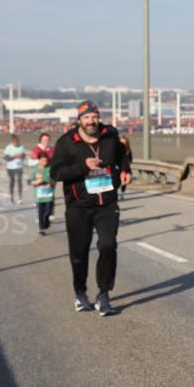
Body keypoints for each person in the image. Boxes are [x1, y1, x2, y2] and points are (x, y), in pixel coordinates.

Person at [50, 100, 132, 316]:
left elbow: (123, 153)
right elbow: (56, 173)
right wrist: (82, 166)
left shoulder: (109, 134)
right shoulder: (67, 142)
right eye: (86, 117)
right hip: (78, 206)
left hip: (107, 203)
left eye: (94, 116)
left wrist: (125, 169)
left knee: (108, 245)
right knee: (79, 253)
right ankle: (80, 292)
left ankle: (104, 295)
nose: (91, 121)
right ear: (79, 120)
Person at [31, 132, 57, 219]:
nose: (46, 141)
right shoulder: (36, 149)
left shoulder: (52, 149)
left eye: (47, 140)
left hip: (51, 174)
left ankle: (51, 213)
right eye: (44, 140)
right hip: (39, 175)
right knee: (40, 194)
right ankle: (40, 214)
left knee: (51, 193)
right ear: (40, 141)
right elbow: (31, 161)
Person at [30, 151, 55, 235]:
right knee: (40, 212)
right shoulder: (35, 169)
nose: (45, 162)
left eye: (46, 161)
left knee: (48, 212)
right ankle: (42, 229)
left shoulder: (50, 169)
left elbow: (54, 179)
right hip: (39, 196)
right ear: (39, 160)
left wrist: (51, 184)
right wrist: (35, 182)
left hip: (49, 195)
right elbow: (29, 180)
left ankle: (46, 221)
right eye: (43, 160)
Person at [4, 134, 27, 204]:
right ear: (12, 141)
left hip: (19, 167)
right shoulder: (8, 147)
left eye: (17, 142)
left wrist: (21, 156)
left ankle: (20, 197)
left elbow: (24, 156)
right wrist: (14, 157)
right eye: (14, 142)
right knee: (12, 181)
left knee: (20, 182)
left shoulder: (21, 147)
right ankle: (11, 196)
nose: (16, 143)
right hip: (10, 168)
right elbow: (6, 158)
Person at [118, 135, 133, 201]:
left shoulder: (128, 150)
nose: (123, 144)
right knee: (122, 182)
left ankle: (122, 192)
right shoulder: (118, 150)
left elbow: (130, 159)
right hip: (121, 168)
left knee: (128, 181)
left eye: (124, 142)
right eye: (121, 142)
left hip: (127, 168)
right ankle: (120, 194)